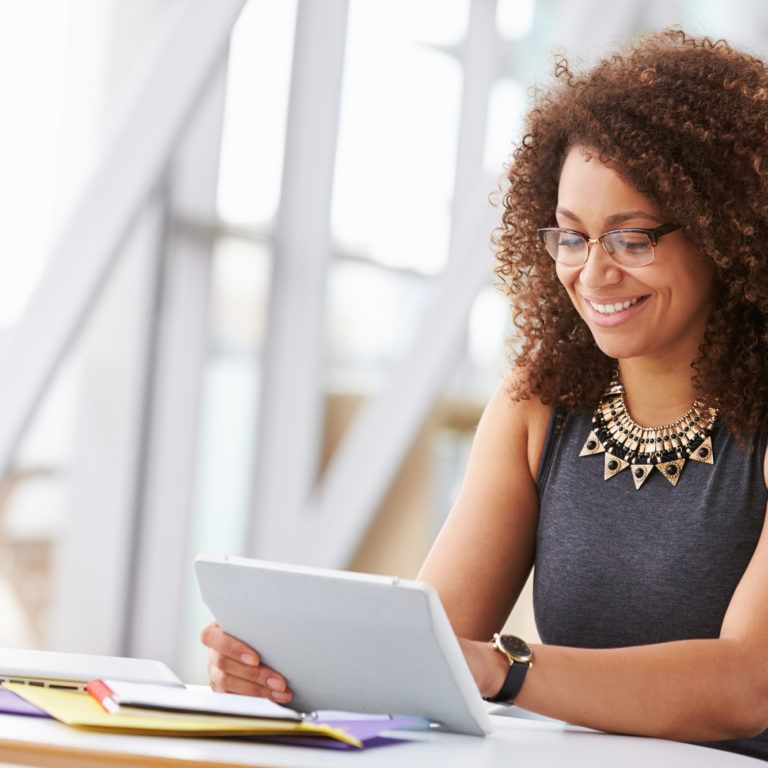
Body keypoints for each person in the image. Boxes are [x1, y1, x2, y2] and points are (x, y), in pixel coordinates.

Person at [201, 28, 768, 760]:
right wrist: (278, 673)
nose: (592, 275)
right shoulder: (541, 404)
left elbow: (746, 685)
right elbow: (427, 650)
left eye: (633, 239)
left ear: (731, 234)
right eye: (571, 237)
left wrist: (506, 668)